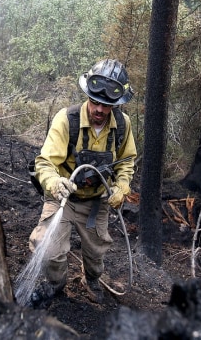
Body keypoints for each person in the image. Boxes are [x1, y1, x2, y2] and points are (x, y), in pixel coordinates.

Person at [28, 59, 137, 307]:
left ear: (115, 104)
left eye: (106, 105)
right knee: (49, 251)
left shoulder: (122, 125)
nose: (99, 109)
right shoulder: (67, 120)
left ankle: (93, 279)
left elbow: (126, 161)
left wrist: (122, 186)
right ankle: (56, 285)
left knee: (96, 252)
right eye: (95, 101)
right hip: (63, 199)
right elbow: (44, 162)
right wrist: (55, 182)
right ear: (87, 94)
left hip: (97, 202)